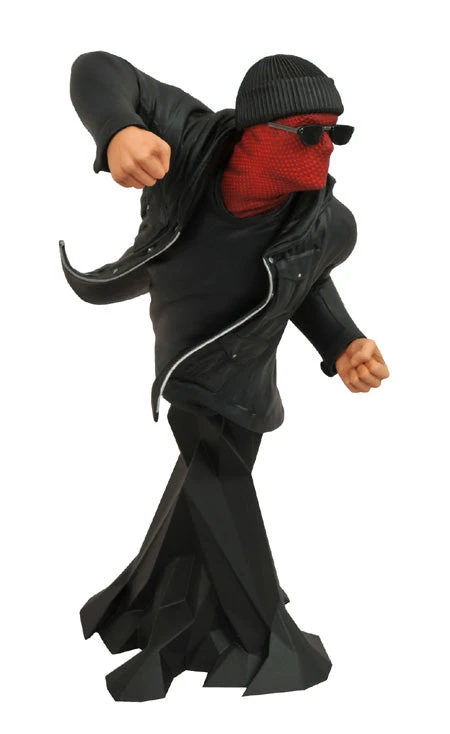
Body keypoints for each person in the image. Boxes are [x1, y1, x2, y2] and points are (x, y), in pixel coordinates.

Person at [60, 50, 390, 701]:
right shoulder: (187, 140)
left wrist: (344, 343)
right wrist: (117, 130)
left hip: (248, 376)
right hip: (188, 362)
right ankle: (268, 642)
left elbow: (305, 285)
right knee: (221, 483)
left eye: (337, 133)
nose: (327, 148)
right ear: (255, 131)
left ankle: (154, 608)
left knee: (202, 493)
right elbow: (96, 68)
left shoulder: (326, 223)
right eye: (309, 132)